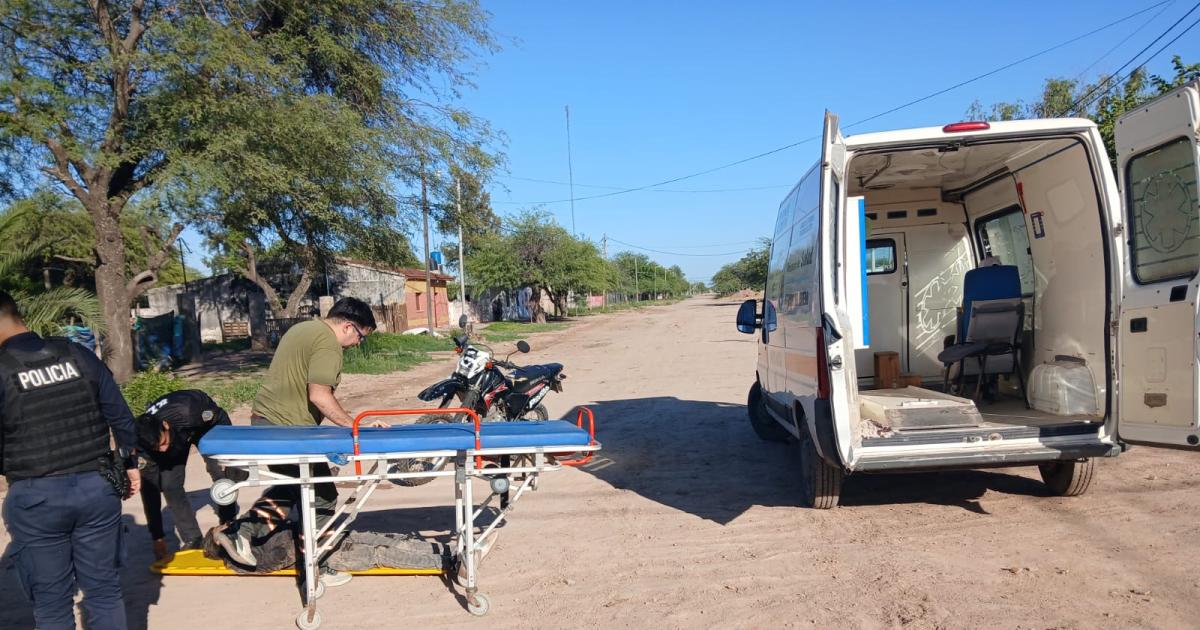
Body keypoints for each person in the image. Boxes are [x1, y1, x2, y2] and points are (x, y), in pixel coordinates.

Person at [212, 297, 387, 588]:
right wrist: (356, 426)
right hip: (288, 430)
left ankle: (243, 532)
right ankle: (313, 564)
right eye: (361, 337)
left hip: (267, 421)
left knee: (294, 487)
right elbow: (319, 395)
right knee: (322, 496)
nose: (358, 343)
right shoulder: (329, 345)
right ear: (348, 326)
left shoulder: (302, 329)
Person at [0, 290, 141, 630]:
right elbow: (121, 417)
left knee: (51, 605)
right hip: (98, 487)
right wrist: (131, 466)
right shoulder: (76, 353)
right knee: (105, 592)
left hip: (36, 497)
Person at [134, 389, 247, 560]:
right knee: (170, 486)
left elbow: (221, 419)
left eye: (163, 443)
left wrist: (231, 456)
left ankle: (228, 524)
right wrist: (157, 537)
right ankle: (192, 538)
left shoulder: (190, 411)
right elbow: (150, 493)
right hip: (178, 437)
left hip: (204, 426)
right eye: (157, 448)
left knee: (221, 474)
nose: (162, 449)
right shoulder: (143, 446)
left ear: (165, 425)